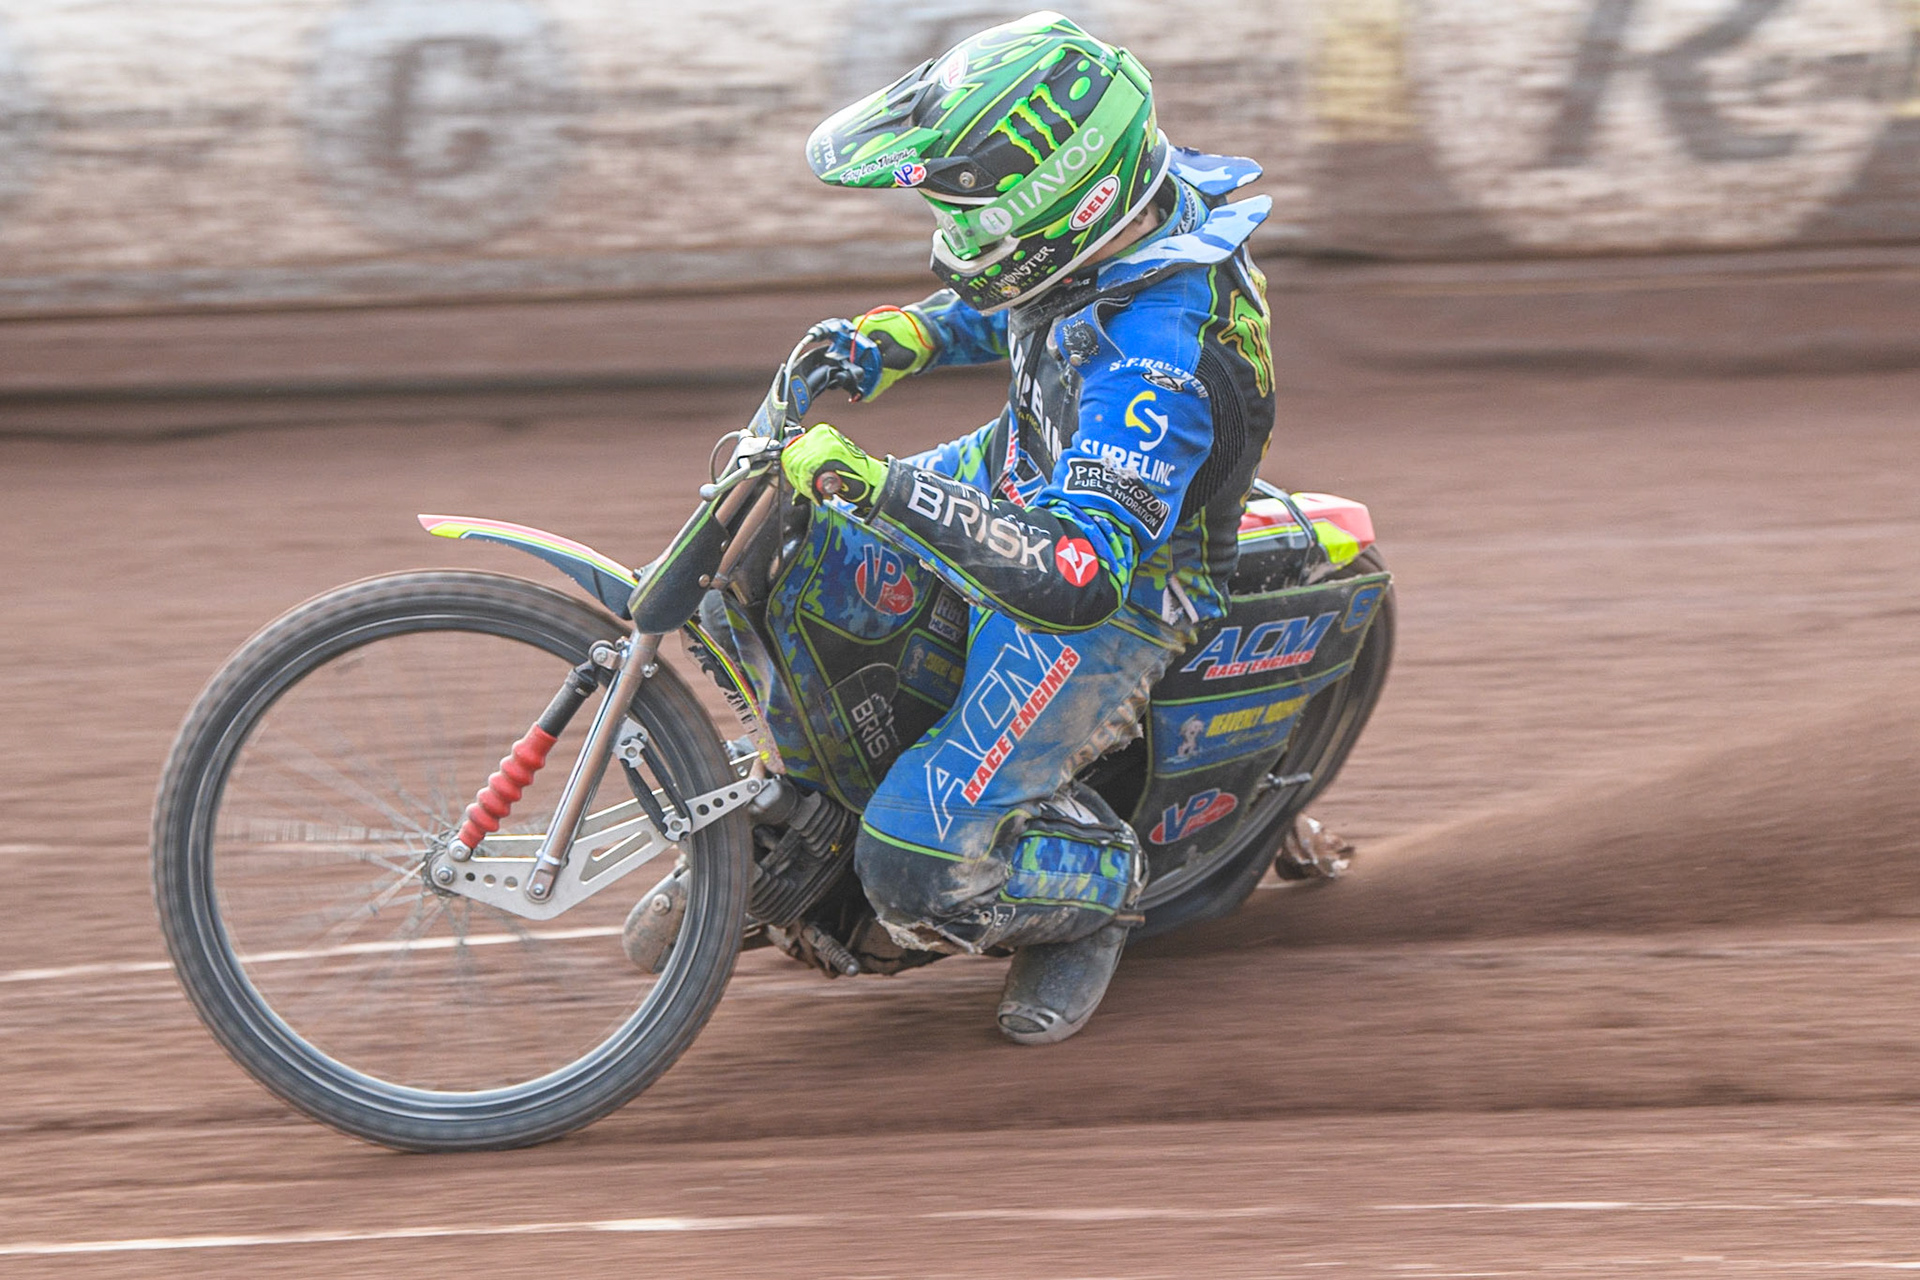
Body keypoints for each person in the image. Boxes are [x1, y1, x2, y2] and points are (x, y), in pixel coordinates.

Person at [778, 10, 1276, 1044]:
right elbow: (1018, 293)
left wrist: (887, 489)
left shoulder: (1160, 364)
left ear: (1068, 199)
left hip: (1113, 582)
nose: (962, 239)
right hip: (1023, 468)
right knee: (789, 547)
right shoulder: (1118, 221)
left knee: (912, 867)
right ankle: (779, 828)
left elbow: (1076, 570)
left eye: (980, 218)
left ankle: (1097, 890)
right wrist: (903, 334)